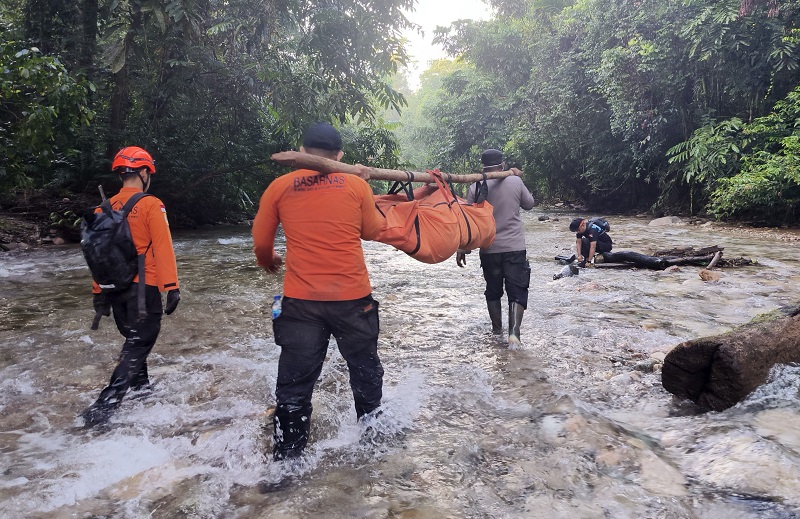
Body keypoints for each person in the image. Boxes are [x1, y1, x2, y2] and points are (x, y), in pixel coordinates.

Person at [252, 122, 386, 461]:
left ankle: (287, 462)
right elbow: (371, 231)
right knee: (365, 372)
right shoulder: (356, 186)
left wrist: (270, 261)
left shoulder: (279, 186)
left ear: (300, 152)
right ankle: (373, 450)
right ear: (339, 156)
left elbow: (261, 243)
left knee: (294, 386)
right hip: (354, 300)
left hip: (300, 303)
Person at [81, 146, 181, 426]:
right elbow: (163, 247)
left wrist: (98, 294)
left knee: (134, 340)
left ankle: (142, 392)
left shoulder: (103, 208)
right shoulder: (151, 204)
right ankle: (105, 405)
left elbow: (96, 254)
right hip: (143, 289)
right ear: (145, 172)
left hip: (114, 290)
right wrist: (172, 287)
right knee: (139, 343)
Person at [456, 149, 536, 345]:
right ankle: (514, 334)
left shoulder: (476, 186)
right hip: (515, 247)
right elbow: (530, 204)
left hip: (489, 249)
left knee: (493, 290)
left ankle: (496, 330)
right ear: (502, 164)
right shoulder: (515, 181)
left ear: (482, 166)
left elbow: (470, 222)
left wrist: (463, 248)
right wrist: (518, 178)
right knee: (517, 290)